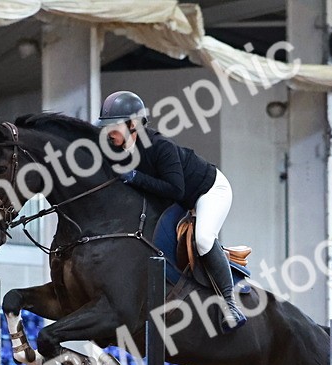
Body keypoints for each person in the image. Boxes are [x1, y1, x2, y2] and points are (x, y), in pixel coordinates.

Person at [97, 90, 245, 332]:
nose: (108, 133)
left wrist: (135, 177)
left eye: (112, 127)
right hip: (181, 199)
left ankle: (230, 303)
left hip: (209, 191)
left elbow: (175, 190)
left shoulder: (160, 146)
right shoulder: (121, 147)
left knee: (204, 240)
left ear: (132, 125)